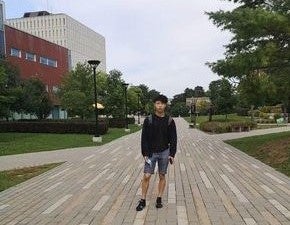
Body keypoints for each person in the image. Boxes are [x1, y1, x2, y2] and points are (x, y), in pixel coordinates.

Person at [136, 94, 177, 211]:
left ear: (165, 105)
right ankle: (143, 199)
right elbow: (144, 138)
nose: (160, 106)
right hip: (150, 153)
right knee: (147, 176)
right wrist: (144, 153)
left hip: (164, 152)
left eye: (162, 103)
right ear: (154, 105)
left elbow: (173, 139)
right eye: (158, 103)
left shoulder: (170, 121)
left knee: (162, 175)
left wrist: (172, 154)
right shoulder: (149, 120)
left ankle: (159, 198)